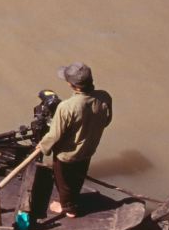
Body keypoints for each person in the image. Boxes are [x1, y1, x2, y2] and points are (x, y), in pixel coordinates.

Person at [36, 62, 113, 218]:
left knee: (63, 182)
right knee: (77, 176)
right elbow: (106, 121)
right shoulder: (105, 96)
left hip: (67, 154)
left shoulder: (66, 107)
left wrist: (41, 147)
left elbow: (54, 135)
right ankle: (72, 199)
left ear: (71, 85)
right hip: (89, 148)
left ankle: (68, 208)